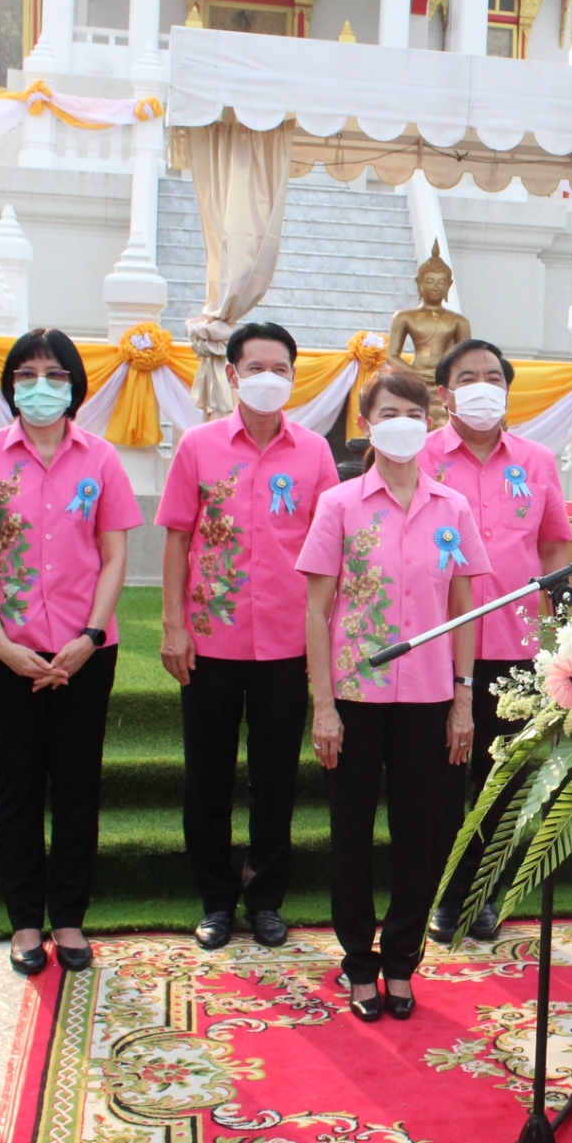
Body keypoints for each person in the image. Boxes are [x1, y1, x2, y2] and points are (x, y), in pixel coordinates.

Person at [0, 330, 140, 975]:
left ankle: (69, 916)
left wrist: (91, 636)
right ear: (10, 385)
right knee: (20, 783)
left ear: (75, 385)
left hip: (86, 650)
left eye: (55, 374)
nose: (41, 386)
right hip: (10, 653)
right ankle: (25, 920)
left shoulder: (101, 459)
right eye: (27, 374)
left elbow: (114, 554)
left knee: (78, 782)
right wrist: (2, 643)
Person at [301, 369, 486, 1021]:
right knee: (351, 834)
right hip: (355, 694)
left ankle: (402, 959)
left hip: (430, 698)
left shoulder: (452, 507)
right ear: (366, 424)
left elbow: (465, 608)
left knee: (422, 837)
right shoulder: (339, 504)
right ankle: (359, 962)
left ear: (429, 423)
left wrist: (463, 700)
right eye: (389, 412)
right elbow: (316, 609)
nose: (402, 423)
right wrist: (324, 706)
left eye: (414, 412)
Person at [157, 321, 338, 951]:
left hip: (288, 643)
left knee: (275, 779)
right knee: (207, 776)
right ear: (232, 375)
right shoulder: (198, 446)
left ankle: (264, 899)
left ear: (294, 376)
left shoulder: (314, 453)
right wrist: (174, 625)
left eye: (280, 369)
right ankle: (214, 900)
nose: (269, 379)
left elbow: (329, 550)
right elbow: (178, 538)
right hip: (211, 639)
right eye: (256, 368)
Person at [426, 339, 572, 943]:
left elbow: (555, 548)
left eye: (494, 377)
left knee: (499, 779)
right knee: (439, 781)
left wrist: (561, 633)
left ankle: (479, 895)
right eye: (469, 378)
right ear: (444, 393)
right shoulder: (422, 457)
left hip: (515, 649)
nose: (482, 388)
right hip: (437, 647)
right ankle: (440, 892)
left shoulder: (536, 461)